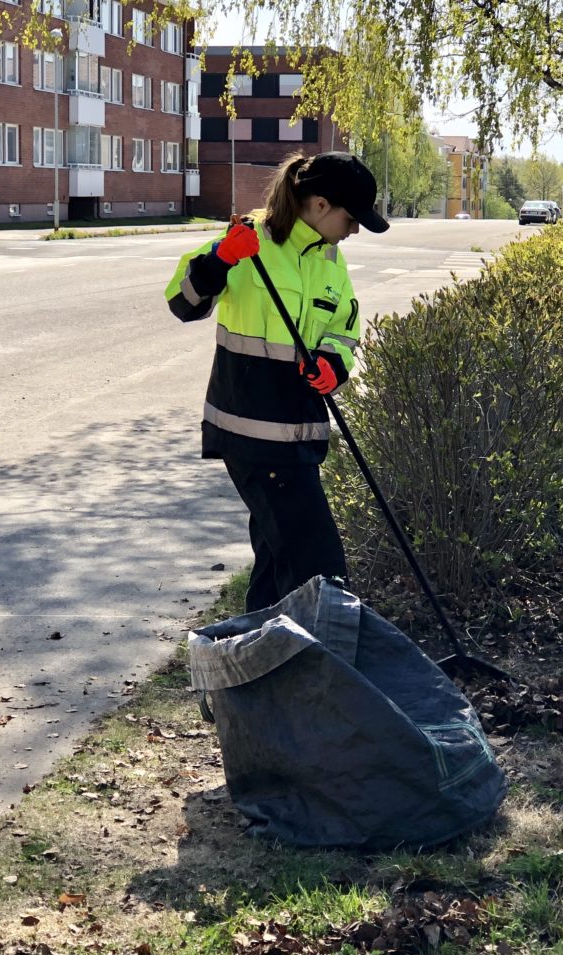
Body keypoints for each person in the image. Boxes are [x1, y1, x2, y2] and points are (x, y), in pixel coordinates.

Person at [165, 151, 389, 613]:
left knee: (275, 559)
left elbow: (344, 327)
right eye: (352, 218)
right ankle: (320, 668)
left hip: (300, 434)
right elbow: (183, 302)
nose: (355, 230)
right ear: (321, 205)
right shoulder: (249, 240)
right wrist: (220, 260)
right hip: (251, 434)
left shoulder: (330, 260)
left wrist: (333, 364)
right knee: (318, 566)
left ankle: (253, 664)